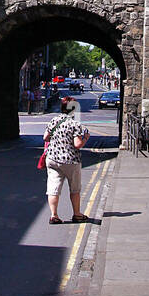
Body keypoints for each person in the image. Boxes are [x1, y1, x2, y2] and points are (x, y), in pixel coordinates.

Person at [43, 96, 90, 224]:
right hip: (70, 161)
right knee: (75, 189)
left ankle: (54, 215)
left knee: (53, 188)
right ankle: (77, 214)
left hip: (53, 158)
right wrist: (85, 138)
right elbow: (77, 144)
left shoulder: (54, 120)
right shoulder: (75, 124)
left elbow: (45, 137)